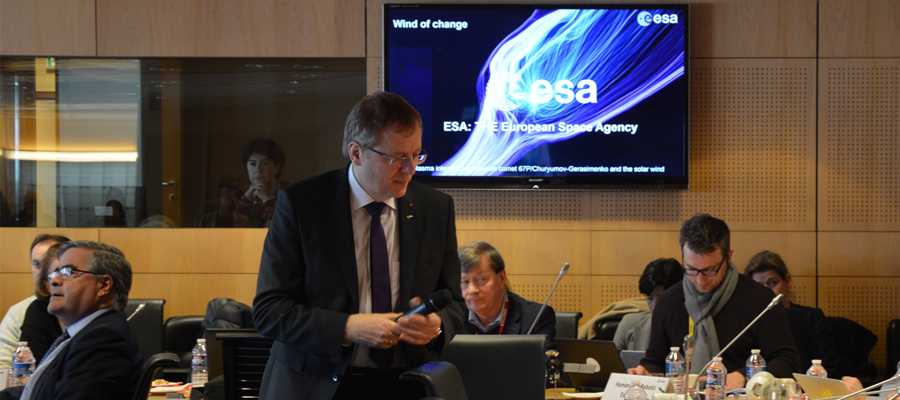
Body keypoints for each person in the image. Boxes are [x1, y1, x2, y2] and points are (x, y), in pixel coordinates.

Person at [252, 91, 467, 400]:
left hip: (405, 385)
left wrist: (437, 326)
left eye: (416, 155)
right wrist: (347, 328)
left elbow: (455, 302)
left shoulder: (435, 208)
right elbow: (270, 310)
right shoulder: (303, 204)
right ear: (356, 153)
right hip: (315, 384)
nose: (410, 169)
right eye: (397, 158)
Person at [628, 214, 801, 391]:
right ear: (682, 253)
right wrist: (645, 371)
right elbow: (655, 361)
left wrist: (744, 376)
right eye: (691, 269)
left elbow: (788, 361)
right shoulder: (668, 301)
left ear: (729, 256)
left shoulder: (760, 299)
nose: (700, 280)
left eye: (710, 270)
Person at [0, 240, 143, 400]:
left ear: (104, 285)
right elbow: (40, 390)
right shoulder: (84, 333)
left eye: (68, 272)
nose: (54, 281)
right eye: (56, 273)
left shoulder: (103, 339)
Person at [745, 250, 840, 374]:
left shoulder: (811, 317)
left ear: (787, 281)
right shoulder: (751, 323)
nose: (767, 293)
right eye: (759, 287)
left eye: (772, 283)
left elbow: (829, 368)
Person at [458, 241, 556, 349]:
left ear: (501, 278)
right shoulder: (451, 317)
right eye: (465, 282)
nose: (472, 290)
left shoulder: (536, 318)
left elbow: (548, 357)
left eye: (481, 279)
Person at [0, 234, 69, 370]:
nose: (44, 271)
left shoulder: (92, 310)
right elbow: (3, 366)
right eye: (37, 264)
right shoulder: (22, 311)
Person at [614, 258, 683, 352]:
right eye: (650, 298)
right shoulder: (628, 324)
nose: (654, 306)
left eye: (661, 299)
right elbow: (612, 360)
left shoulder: (692, 327)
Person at [219, 138, 289, 227]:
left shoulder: (291, 192)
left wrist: (268, 199)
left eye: (265, 163)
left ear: (276, 167)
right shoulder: (235, 196)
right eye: (252, 164)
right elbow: (229, 227)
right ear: (247, 168)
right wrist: (245, 199)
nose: (258, 170)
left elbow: (289, 223)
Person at [19, 242, 65, 364]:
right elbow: (32, 367)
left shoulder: (96, 312)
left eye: (67, 274)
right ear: (46, 285)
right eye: (54, 275)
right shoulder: (38, 309)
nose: (57, 281)